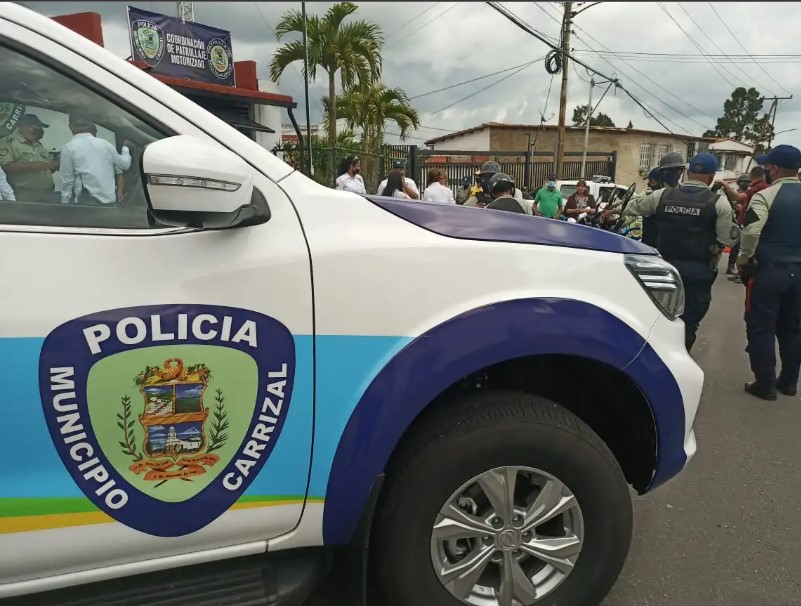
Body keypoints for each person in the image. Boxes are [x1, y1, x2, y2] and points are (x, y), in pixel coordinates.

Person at [618, 152, 738, 351]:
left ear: (688, 173)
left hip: (663, 268)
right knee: (689, 321)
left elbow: (632, 208)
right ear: (712, 176)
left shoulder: (661, 195)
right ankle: (682, 357)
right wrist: (715, 247)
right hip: (698, 271)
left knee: (657, 315)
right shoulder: (719, 203)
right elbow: (729, 239)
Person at [736, 145, 801, 401]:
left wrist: (743, 258)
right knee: (793, 328)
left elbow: (751, 231)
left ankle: (765, 383)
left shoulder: (765, 196)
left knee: (761, 326)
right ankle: (789, 382)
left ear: (773, 169)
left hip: (769, 272)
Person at [59, 115, 132, 205]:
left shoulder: (68, 148)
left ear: (70, 127)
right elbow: (125, 165)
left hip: (87, 203)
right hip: (110, 202)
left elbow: (67, 181)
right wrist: (125, 148)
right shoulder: (105, 144)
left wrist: (64, 204)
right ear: (90, 126)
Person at [717, 166, 768, 280]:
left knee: (741, 247)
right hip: (747, 223)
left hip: (750, 225)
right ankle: (738, 270)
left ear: (752, 176)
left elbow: (739, 198)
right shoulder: (758, 187)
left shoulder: (759, 187)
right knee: (738, 247)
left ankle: (742, 271)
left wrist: (725, 185)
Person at [0, 113, 58, 203]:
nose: (36, 130)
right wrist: (32, 166)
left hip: (47, 194)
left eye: (38, 128)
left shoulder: (38, 145)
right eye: (31, 127)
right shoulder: (8, 143)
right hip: (24, 194)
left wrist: (54, 166)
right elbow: (6, 168)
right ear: (20, 126)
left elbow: (45, 168)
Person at [641, 153, 684, 247]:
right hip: (652, 247)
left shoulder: (685, 193)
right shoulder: (652, 192)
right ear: (663, 172)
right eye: (669, 170)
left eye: (678, 170)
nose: (675, 173)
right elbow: (634, 206)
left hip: (676, 248)